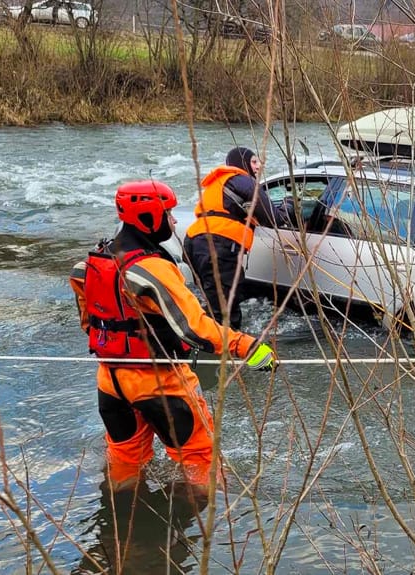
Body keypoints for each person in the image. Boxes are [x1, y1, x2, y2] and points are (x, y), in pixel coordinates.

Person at [70, 180, 277, 493]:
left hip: (110, 383)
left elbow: (90, 323)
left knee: (124, 460)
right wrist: (249, 347)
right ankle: (207, 520)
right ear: (149, 217)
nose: (174, 221)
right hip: (160, 382)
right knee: (202, 461)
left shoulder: (88, 265)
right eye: (167, 214)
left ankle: (121, 516)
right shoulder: (152, 269)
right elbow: (195, 327)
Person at [183, 146, 285, 329]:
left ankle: (205, 335)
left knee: (216, 306)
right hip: (217, 248)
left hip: (194, 244)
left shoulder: (221, 182)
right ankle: (228, 346)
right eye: (254, 161)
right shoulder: (244, 181)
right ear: (242, 163)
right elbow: (274, 219)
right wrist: (289, 206)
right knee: (227, 315)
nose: (258, 166)